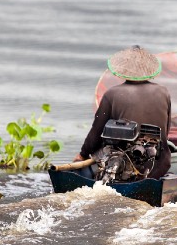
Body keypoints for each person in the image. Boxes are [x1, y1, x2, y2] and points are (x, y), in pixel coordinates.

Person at [74, 45, 172, 179]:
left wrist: (82, 155)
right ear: (148, 69)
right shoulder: (163, 92)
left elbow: (96, 133)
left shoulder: (112, 94)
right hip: (157, 165)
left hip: (119, 166)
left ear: (124, 69)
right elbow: (165, 132)